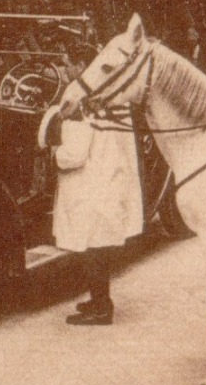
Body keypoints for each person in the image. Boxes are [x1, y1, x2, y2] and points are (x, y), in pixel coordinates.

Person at [38, 104, 144, 325]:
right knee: (97, 247)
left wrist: (53, 153)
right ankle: (99, 301)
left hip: (87, 188)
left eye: (69, 67)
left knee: (92, 250)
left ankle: (101, 308)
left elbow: (74, 155)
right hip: (105, 180)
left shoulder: (80, 108)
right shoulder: (110, 102)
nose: (67, 73)